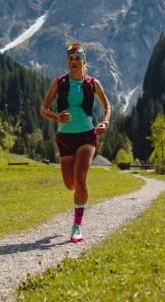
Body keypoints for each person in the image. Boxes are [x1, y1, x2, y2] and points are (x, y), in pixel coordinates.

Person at [40, 43, 111, 243]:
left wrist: (105, 122)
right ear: (67, 61)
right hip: (65, 137)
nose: (74, 62)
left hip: (87, 134)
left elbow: (107, 105)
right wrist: (56, 118)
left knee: (80, 177)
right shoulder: (59, 83)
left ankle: (77, 225)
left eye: (77, 59)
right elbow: (43, 109)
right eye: (70, 59)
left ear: (84, 62)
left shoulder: (93, 83)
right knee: (70, 184)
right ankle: (79, 197)